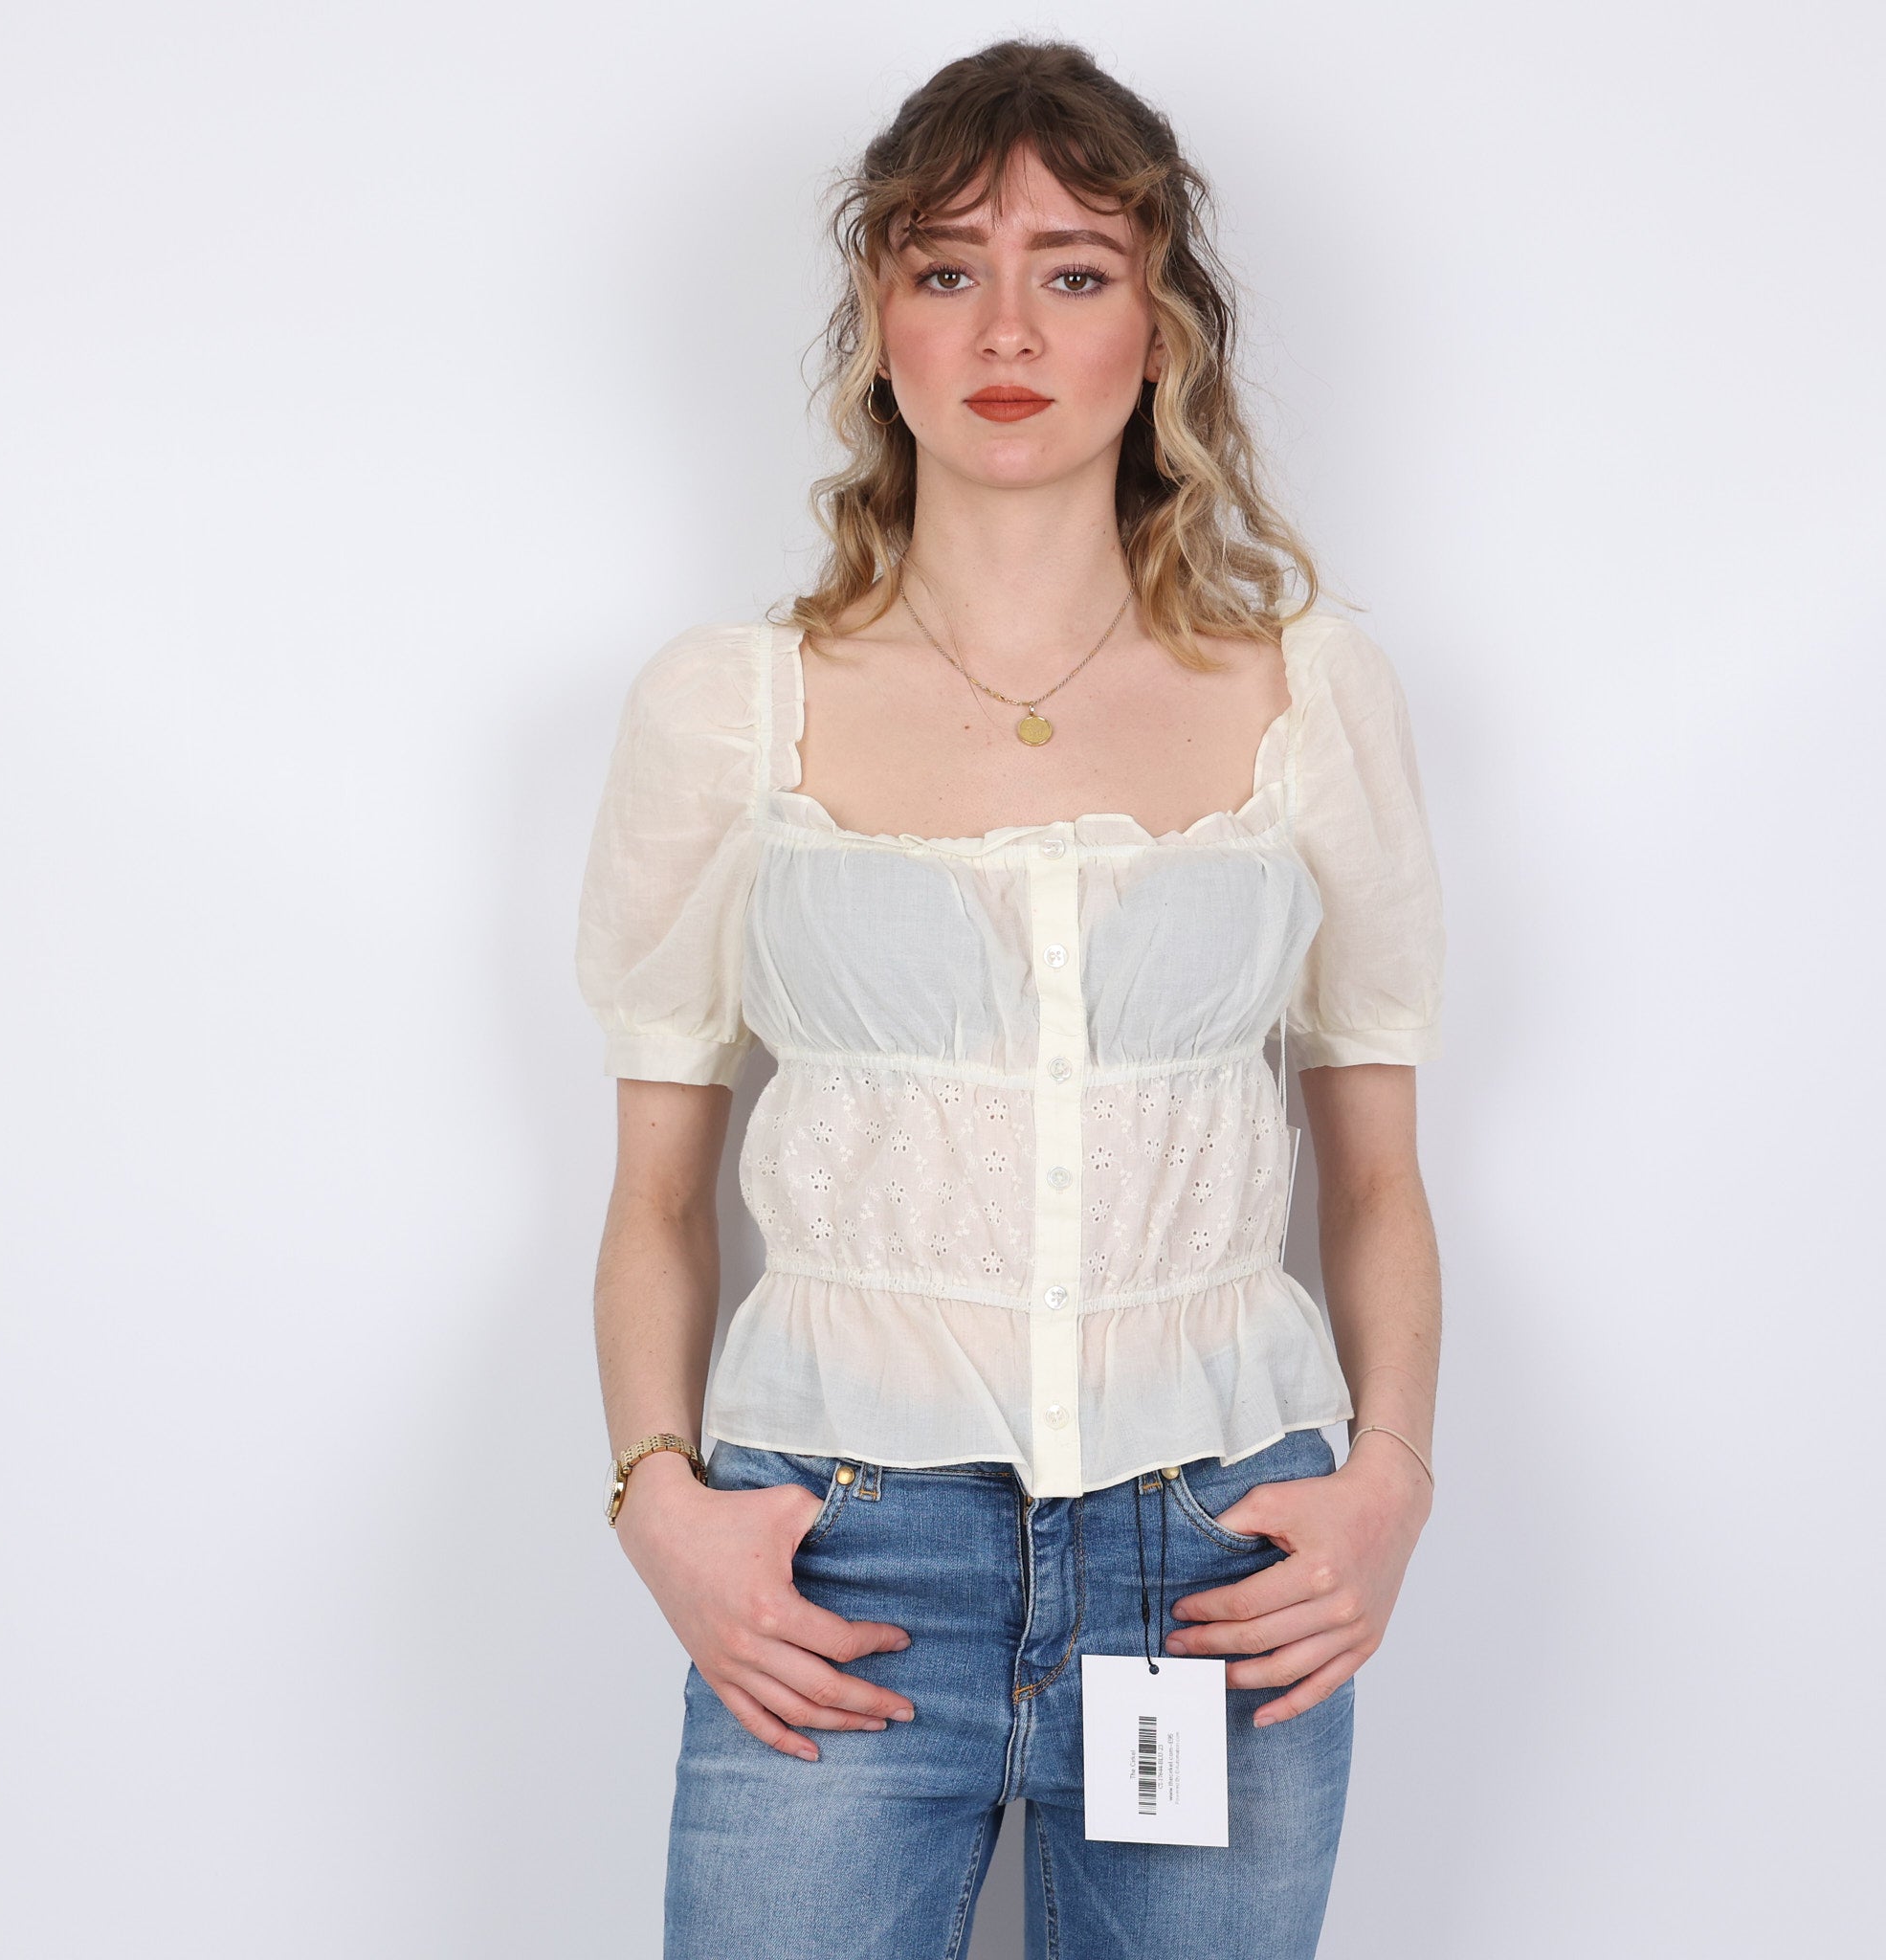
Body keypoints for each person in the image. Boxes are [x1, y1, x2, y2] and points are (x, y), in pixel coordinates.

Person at [575, 37, 1446, 1960]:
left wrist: (1387, 1480)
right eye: (947, 265)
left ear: (1162, 326)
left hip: (1224, 1565)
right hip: (833, 1565)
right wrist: (658, 1500)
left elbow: (1378, 1172)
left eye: (1074, 269)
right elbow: (654, 1193)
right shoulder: (729, 712)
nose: (1008, 328)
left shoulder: (1308, 696)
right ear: (877, 321)